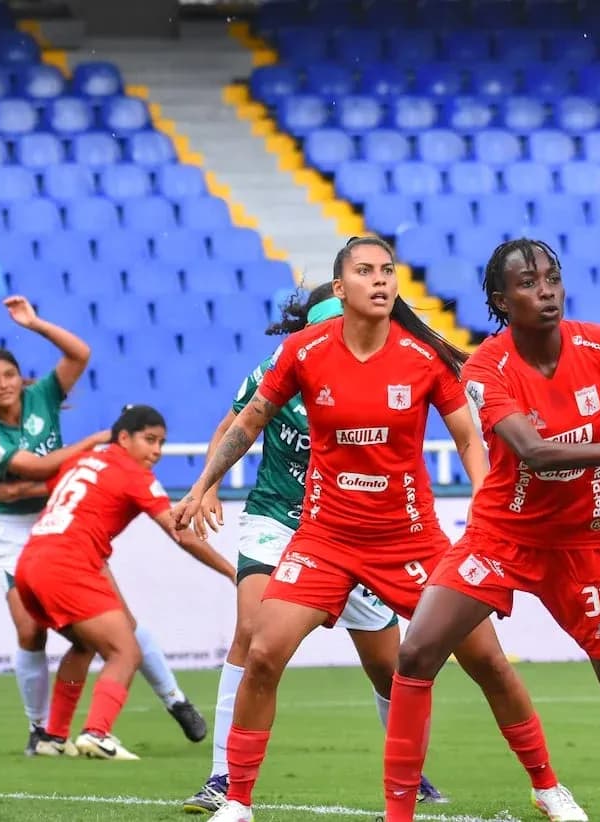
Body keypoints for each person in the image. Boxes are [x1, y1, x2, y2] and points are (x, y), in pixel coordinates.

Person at [173, 236, 587, 822]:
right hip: (324, 538)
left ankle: (548, 786)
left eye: (388, 270)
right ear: (340, 290)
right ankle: (237, 799)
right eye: (365, 271)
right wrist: (201, 486)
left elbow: (470, 437)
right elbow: (248, 423)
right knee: (263, 652)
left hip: (410, 540)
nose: (380, 280)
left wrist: (487, 508)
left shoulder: (422, 358)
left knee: (488, 661)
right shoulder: (304, 350)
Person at [383, 238, 600, 822]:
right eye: (527, 282)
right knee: (415, 653)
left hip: (586, 547)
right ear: (501, 299)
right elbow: (533, 452)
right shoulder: (488, 367)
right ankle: (398, 816)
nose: (545, 291)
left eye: (551, 278)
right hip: (501, 539)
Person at [180, 284, 444, 814]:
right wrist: (206, 484)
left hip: (353, 530)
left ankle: (410, 774)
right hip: (278, 518)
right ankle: (222, 778)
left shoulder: (386, 372)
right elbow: (234, 425)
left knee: (387, 667)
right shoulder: (285, 365)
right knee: (253, 636)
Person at [0, 297, 205, 755]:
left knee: (120, 622)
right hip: (18, 535)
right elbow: (38, 469)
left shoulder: (42, 396)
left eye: (8, 375)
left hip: (67, 527)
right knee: (31, 632)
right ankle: (41, 729)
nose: (3, 384)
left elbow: (80, 354)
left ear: (20, 377)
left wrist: (35, 322)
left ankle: (174, 700)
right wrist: (93, 441)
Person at [14, 404, 236, 761]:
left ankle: (51, 736)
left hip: (30, 563)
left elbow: (51, 488)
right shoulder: (134, 473)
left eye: (162, 443)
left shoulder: (82, 462)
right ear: (123, 438)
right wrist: (231, 571)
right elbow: (180, 533)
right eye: (149, 440)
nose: (157, 451)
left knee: (85, 646)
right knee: (125, 651)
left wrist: (11, 492)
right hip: (69, 565)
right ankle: (97, 732)